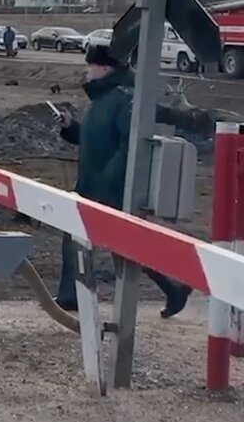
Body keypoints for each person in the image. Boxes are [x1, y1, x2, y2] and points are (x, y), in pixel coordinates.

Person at [52, 45, 191, 316]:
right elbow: (91, 140)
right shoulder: (100, 101)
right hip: (92, 185)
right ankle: (72, 296)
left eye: (90, 65)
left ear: (105, 69)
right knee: (107, 243)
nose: (86, 70)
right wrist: (70, 127)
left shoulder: (123, 100)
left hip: (109, 189)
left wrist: (108, 180)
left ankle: (173, 287)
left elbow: (130, 146)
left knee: (123, 245)